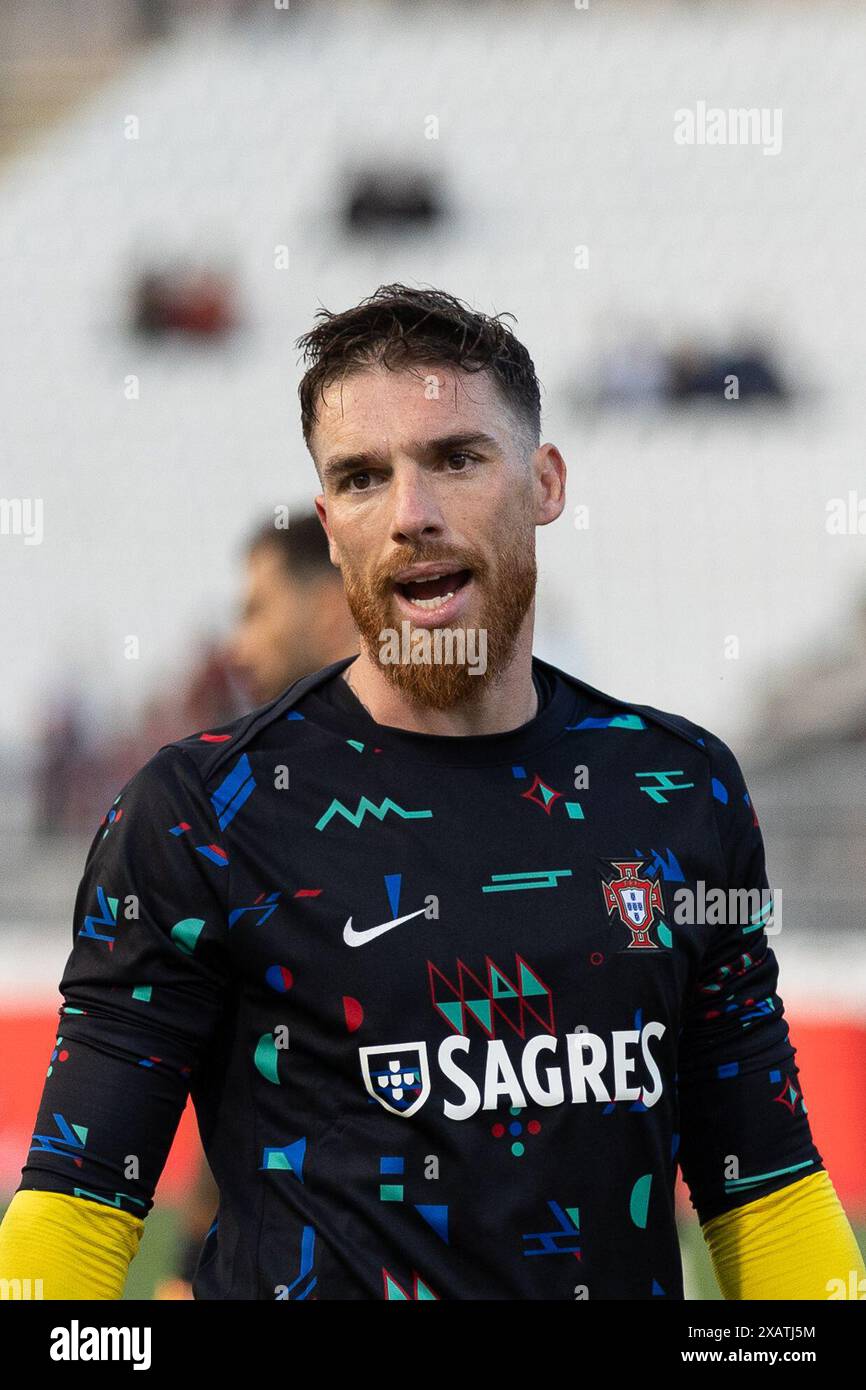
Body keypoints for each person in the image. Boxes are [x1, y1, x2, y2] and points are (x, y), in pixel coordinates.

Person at [0, 284, 863, 1300]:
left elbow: (762, 1189)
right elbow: (73, 1215)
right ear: (329, 526)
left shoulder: (680, 788)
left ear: (544, 480)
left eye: (455, 457)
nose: (410, 514)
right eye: (363, 477)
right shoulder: (199, 811)